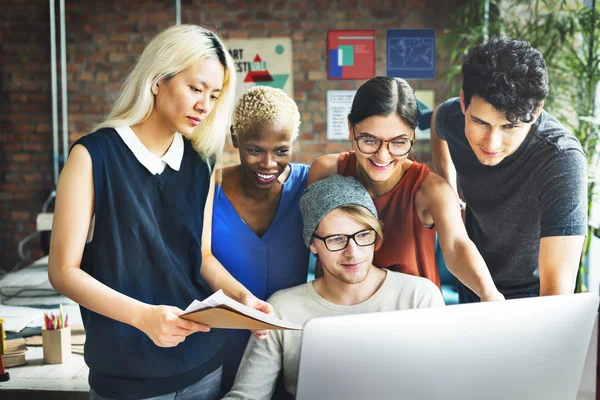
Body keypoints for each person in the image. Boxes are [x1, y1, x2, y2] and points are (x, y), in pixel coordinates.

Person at [47, 25, 272, 400]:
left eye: (214, 95)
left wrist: (240, 299)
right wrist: (143, 317)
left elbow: (200, 256)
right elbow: (62, 271)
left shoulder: (202, 161)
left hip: (203, 367)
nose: (205, 104)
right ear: (156, 81)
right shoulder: (92, 156)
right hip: (125, 377)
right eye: (195, 88)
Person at [222, 174, 444, 400]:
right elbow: (246, 396)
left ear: (376, 237)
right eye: (336, 239)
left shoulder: (420, 297)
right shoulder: (281, 308)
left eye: (363, 235)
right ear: (312, 244)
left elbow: (443, 386)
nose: (353, 252)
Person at [309, 76, 503, 302]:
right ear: (351, 128)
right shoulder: (326, 171)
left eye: (399, 142)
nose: (383, 155)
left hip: (411, 315)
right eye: (370, 140)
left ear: (412, 136)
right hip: (339, 311)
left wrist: (489, 293)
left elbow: (457, 246)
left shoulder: (431, 190)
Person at [430, 37, 587, 302]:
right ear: (463, 103)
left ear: (536, 112)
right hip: (473, 278)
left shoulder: (560, 158)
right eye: (480, 122)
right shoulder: (453, 119)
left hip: (532, 291)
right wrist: (449, 194)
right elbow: (437, 123)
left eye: (510, 126)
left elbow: (555, 296)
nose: (491, 143)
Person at [212, 86, 309, 393]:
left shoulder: (308, 184)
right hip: (217, 345)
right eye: (255, 149)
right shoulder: (208, 186)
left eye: (281, 150)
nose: (268, 163)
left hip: (290, 345)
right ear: (235, 138)